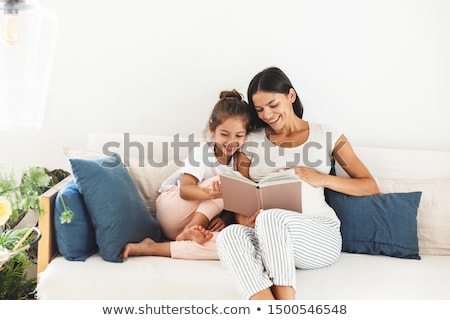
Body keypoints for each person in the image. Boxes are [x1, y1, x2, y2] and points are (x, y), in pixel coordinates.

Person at [216, 67, 380, 300]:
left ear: (291, 96)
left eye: (273, 105)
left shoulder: (327, 135)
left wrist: (319, 177)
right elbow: (239, 193)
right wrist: (244, 219)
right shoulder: (251, 141)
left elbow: (369, 185)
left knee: (271, 217)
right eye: (260, 109)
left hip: (318, 235)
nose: (267, 115)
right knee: (229, 236)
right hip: (266, 235)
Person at [122, 89, 252, 259]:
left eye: (239, 135)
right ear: (213, 130)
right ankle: (190, 229)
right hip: (173, 207)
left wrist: (226, 219)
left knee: (231, 242)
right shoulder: (202, 153)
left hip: (192, 224)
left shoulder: (239, 162)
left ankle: (152, 247)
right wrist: (209, 194)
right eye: (224, 134)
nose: (231, 141)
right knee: (230, 183)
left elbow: (234, 203)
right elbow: (185, 190)